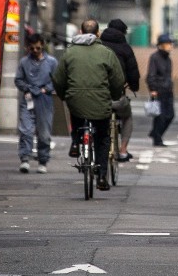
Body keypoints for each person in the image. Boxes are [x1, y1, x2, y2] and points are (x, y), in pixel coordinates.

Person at [53, 20, 126, 191]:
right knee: (102, 137)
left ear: (80, 31)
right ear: (98, 33)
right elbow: (118, 80)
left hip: (75, 100)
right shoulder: (106, 53)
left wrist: (64, 95)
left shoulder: (69, 53)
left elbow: (58, 78)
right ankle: (101, 174)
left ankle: (76, 143)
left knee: (77, 116)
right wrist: (114, 96)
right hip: (101, 101)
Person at [100, 16, 141, 162]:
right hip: (117, 97)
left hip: (96, 97)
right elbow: (133, 72)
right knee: (127, 116)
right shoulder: (125, 48)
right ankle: (123, 150)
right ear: (123, 33)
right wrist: (134, 86)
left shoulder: (98, 45)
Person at [15, 34, 57, 174]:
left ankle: (43, 160)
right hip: (28, 97)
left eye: (38, 48)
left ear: (42, 45)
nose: (35, 50)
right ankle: (25, 158)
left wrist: (47, 89)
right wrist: (26, 89)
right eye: (32, 48)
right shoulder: (24, 62)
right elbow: (18, 79)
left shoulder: (51, 62)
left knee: (44, 132)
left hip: (44, 98)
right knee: (25, 129)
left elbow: (57, 80)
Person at [146, 33, 176, 147]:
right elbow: (151, 75)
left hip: (168, 90)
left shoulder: (168, 58)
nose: (170, 46)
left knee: (170, 115)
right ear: (161, 45)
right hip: (158, 91)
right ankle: (157, 138)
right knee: (160, 117)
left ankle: (155, 133)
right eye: (168, 44)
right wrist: (152, 88)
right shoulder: (155, 57)